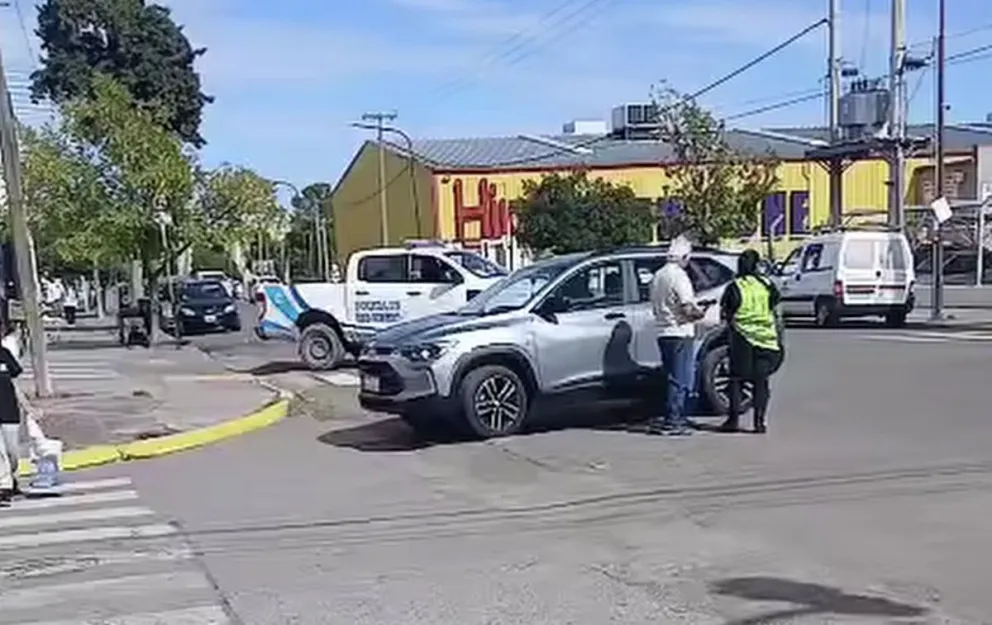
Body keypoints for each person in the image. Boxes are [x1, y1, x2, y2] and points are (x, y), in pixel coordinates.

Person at [718, 249, 785, 434]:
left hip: (742, 339)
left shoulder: (735, 286)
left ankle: (733, 421)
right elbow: (775, 309)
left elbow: (726, 312)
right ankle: (759, 423)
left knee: (736, 380)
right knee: (761, 382)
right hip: (765, 339)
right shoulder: (767, 284)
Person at [648, 235, 706, 436]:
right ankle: (675, 420)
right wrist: (702, 313)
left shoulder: (658, 275)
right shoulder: (679, 277)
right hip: (680, 332)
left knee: (671, 375)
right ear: (684, 257)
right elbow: (687, 308)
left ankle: (670, 417)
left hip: (663, 331)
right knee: (681, 378)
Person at [0, 324, 23, 503]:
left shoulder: (5, 354)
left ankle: (12, 479)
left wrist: (28, 407)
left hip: (9, 410)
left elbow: (16, 384)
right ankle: (4, 487)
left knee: (11, 451)